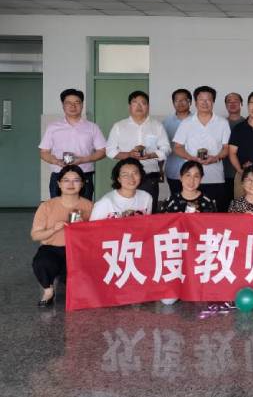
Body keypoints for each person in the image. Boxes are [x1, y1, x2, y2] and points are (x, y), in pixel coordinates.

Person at [30, 164, 93, 307]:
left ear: (82, 184)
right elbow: (35, 236)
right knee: (42, 263)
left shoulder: (89, 206)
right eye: (66, 180)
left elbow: (96, 236)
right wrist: (53, 229)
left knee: (79, 282)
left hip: (78, 250)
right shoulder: (47, 206)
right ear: (59, 184)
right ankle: (48, 291)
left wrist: (83, 227)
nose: (71, 184)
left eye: (76, 180)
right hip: (52, 249)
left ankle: (67, 278)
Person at [106, 90, 170, 211]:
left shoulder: (157, 125)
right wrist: (129, 154)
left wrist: (150, 155)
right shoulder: (119, 126)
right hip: (126, 177)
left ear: (148, 106)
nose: (139, 106)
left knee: (148, 211)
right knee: (124, 211)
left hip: (149, 176)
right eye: (135, 103)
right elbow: (110, 151)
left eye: (143, 103)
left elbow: (166, 149)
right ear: (129, 106)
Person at [39, 88, 106, 200]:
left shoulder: (92, 127)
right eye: (68, 103)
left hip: (84, 175)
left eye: (77, 102)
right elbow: (43, 152)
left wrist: (82, 160)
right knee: (58, 208)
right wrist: (57, 161)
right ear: (63, 105)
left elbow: (102, 151)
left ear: (82, 105)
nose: (73, 106)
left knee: (83, 208)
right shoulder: (53, 127)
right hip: (59, 175)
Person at [173, 86, 231, 210]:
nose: (205, 103)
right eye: (201, 99)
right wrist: (191, 158)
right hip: (191, 180)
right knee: (191, 213)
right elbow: (177, 147)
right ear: (195, 102)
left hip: (215, 177)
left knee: (216, 212)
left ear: (213, 102)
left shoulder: (222, 123)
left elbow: (226, 148)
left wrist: (215, 158)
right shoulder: (186, 123)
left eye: (208, 100)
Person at [163, 88, 193, 197]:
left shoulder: (197, 120)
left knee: (194, 201)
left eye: (184, 100)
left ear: (190, 102)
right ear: (173, 103)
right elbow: (162, 147)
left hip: (194, 172)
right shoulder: (166, 122)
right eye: (177, 100)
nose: (180, 103)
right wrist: (160, 168)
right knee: (176, 200)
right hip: (173, 170)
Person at [223, 92, 246, 210]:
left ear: (241, 104)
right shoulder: (220, 123)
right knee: (224, 207)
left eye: (236, 101)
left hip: (243, 173)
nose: (232, 104)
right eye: (229, 102)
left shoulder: (247, 123)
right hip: (223, 173)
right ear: (225, 105)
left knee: (241, 208)